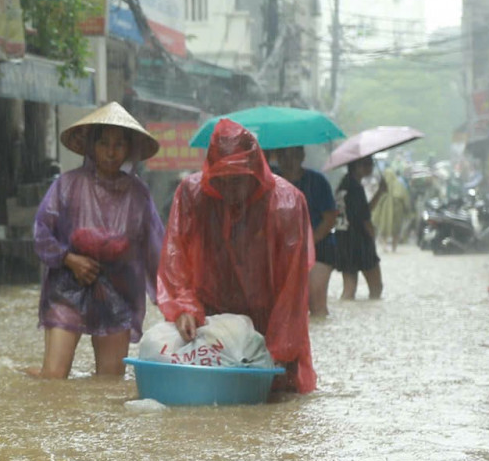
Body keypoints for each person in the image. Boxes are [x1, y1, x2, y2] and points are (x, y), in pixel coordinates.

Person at [155, 119, 317, 393]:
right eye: (222, 180)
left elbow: (292, 290)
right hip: (210, 316)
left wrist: (281, 347)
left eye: (238, 179)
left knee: (276, 401)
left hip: (268, 317)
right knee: (207, 397)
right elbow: (175, 260)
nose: (230, 189)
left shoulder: (286, 204)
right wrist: (184, 309)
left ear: (255, 170)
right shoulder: (193, 195)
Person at [28, 103, 164, 379]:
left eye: (118, 145)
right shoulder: (67, 185)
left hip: (118, 290)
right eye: (103, 143)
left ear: (129, 149)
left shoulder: (138, 194)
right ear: (92, 146)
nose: (111, 152)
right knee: (53, 377)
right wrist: (69, 258)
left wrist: (170, 298)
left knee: (110, 384)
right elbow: (42, 231)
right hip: (68, 285)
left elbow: (155, 248)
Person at [266, 145, 337, 318]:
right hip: (282, 251)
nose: (289, 161)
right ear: (277, 157)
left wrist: (308, 244)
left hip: (319, 247)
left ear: (302, 155)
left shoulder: (317, 181)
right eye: (284, 156)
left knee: (316, 303)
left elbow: (330, 218)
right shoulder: (270, 181)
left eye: (294, 155)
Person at [326, 154, 384, 300]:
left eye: (370, 163)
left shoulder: (344, 184)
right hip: (360, 241)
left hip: (343, 240)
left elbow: (362, 210)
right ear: (356, 166)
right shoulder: (356, 188)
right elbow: (365, 219)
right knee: (376, 287)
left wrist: (379, 192)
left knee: (349, 289)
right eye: (366, 163)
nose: (370, 167)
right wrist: (372, 236)